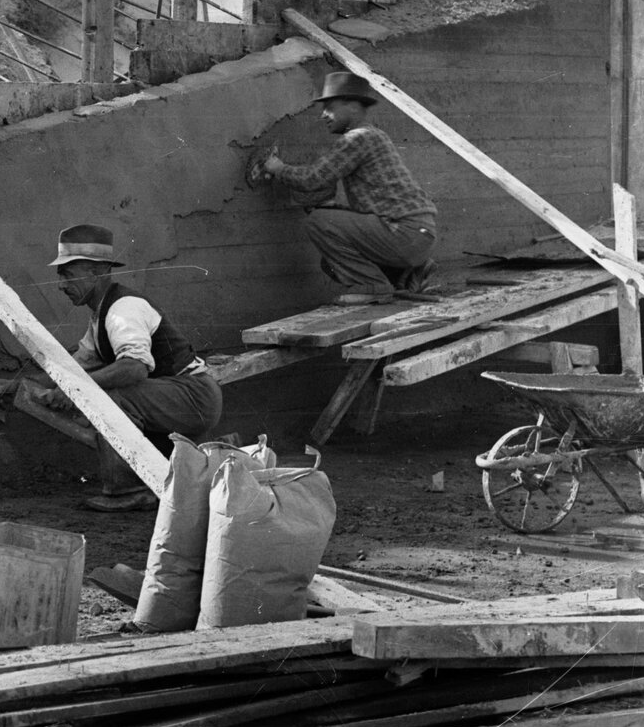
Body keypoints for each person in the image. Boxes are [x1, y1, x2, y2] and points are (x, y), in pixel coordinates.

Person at [48, 222, 223, 512]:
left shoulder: (122, 308)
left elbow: (135, 368)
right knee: (104, 389)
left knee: (112, 396)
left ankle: (132, 489)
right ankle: (159, 477)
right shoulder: (100, 315)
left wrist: (76, 388)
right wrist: (18, 384)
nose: (61, 285)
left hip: (194, 397)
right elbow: (74, 366)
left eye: (67, 274)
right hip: (177, 398)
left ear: (94, 271)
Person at [258, 70, 438, 298]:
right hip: (416, 235)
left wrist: (276, 168)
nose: (323, 115)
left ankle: (373, 286)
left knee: (319, 221)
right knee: (331, 263)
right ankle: (405, 277)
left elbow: (313, 179)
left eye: (330, 108)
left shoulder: (358, 137)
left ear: (353, 106)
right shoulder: (375, 136)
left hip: (404, 233)